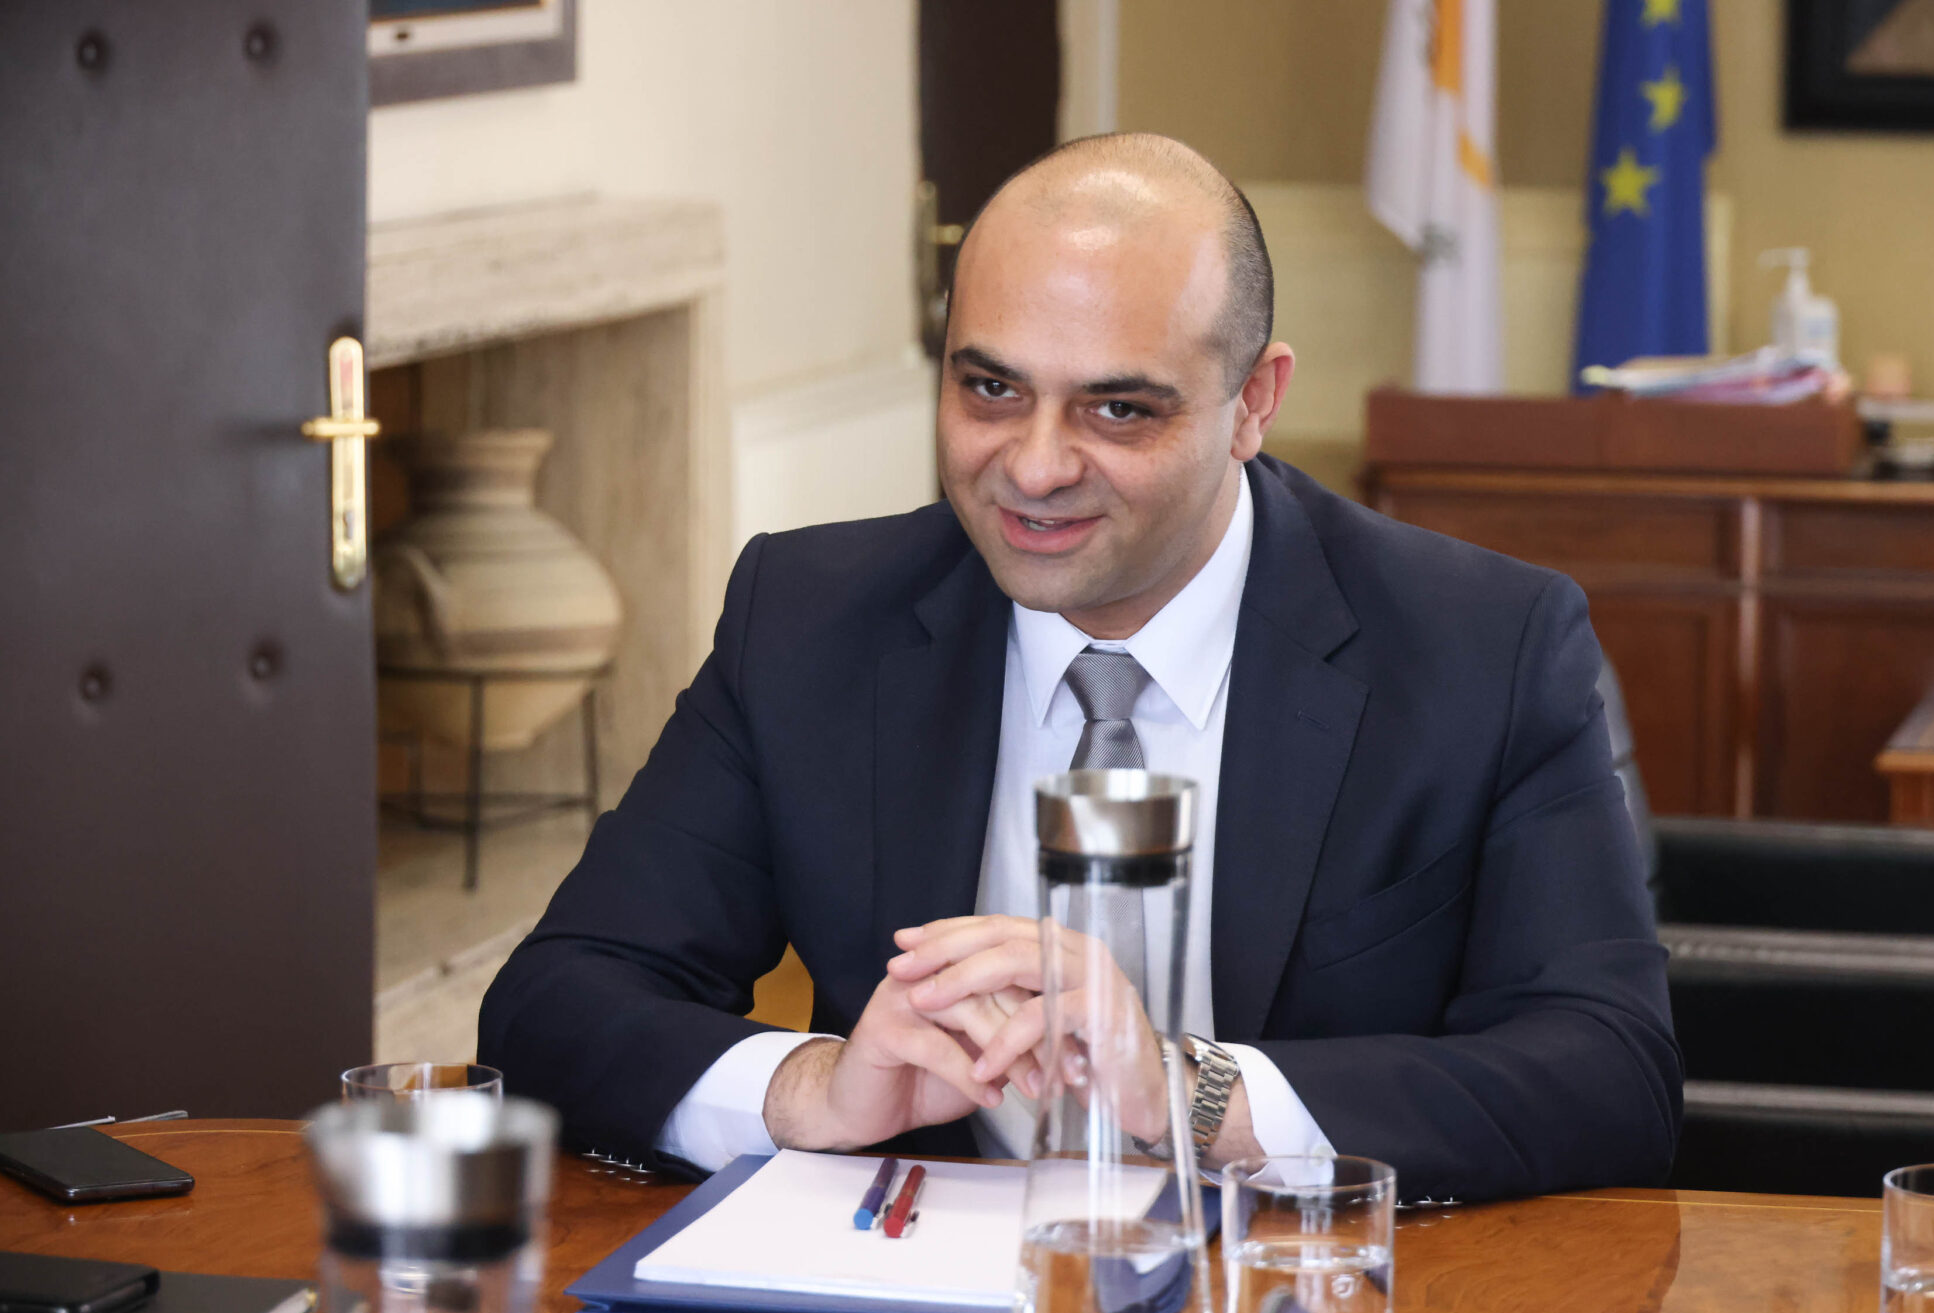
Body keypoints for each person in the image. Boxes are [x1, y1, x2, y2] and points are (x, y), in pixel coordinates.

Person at [478, 133, 1681, 1203]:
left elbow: (1606, 1072)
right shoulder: (807, 620)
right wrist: (816, 1090)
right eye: (989, 388)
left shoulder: (1482, 645)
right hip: (917, 1300)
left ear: (1252, 402)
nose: (1034, 467)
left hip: (1309, 1300)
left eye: (1117, 411)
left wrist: (1189, 1094)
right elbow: (555, 1003)